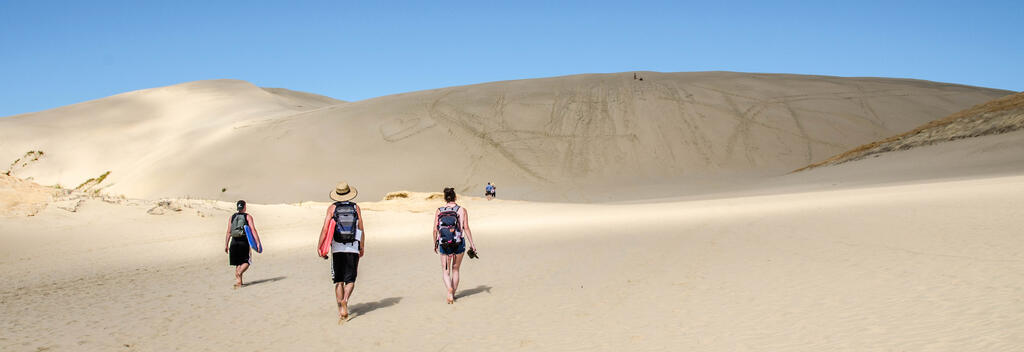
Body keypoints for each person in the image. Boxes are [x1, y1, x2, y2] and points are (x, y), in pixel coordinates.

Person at [318, 182, 365, 323]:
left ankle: (341, 310)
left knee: (339, 281)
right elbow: (361, 228)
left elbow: (326, 228)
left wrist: (320, 245)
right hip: (352, 247)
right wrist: (361, 246)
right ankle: (345, 300)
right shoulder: (355, 207)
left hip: (337, 248)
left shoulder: (332, 208)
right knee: (350, 280)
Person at [433, 187, 477, 304]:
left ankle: (449, 290)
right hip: (458, 243)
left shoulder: (439, 210)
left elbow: (435, 230)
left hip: (444, 244)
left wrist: (435, 244)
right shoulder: (462, 210)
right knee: (455, 269)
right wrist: (472, 244)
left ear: (445, 198)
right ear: (455, 197)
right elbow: (466, 228)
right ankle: (453, 293)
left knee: (445, 271)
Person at [225, 200, 259, 288]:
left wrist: (226, 245)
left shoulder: (232, 217)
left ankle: (239, 282)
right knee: (247, 261)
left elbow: (228, 232)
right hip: (243, 241)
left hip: (233, 242)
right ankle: (239, 273)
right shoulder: (248, 216)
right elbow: (252, 230)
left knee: (238, 263)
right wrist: (257, 243)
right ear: (244, 207)